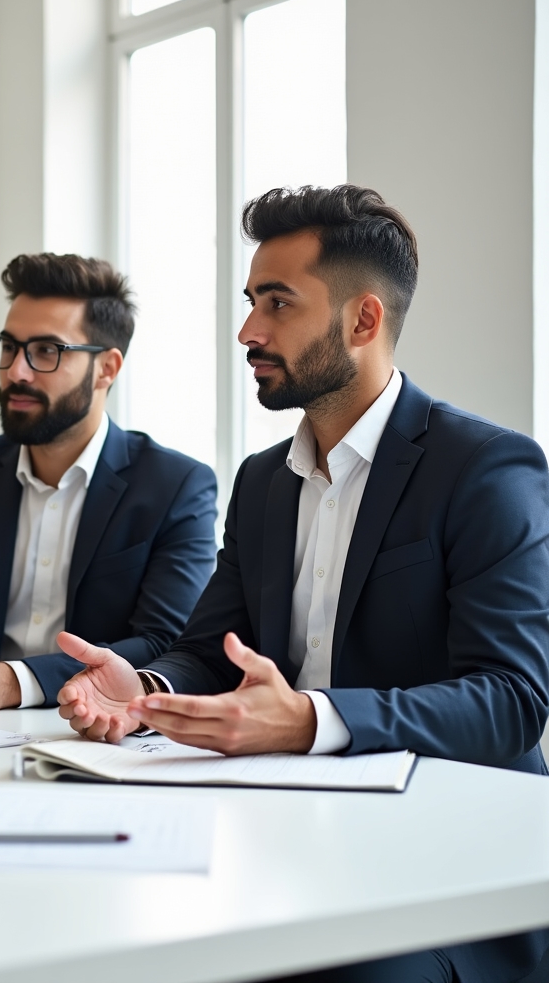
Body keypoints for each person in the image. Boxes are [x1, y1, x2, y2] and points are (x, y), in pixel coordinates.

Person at [56, 185, 549, 983]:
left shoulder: (486, 468)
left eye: (277, 304)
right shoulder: (261, 482)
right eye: (252, 301)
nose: (248, 330)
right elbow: (215, 652)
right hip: (288, 839)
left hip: (447, 872)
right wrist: (144, 688)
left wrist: (310, 720)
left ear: (362, 321)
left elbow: (512, 699)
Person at [0, 252, 218, 712]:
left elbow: (166, 643)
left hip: (96, 727)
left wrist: (14, 682)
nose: (16, 372)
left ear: (107, 368)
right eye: (9, 347)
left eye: (47, 351)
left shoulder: (175, 484)